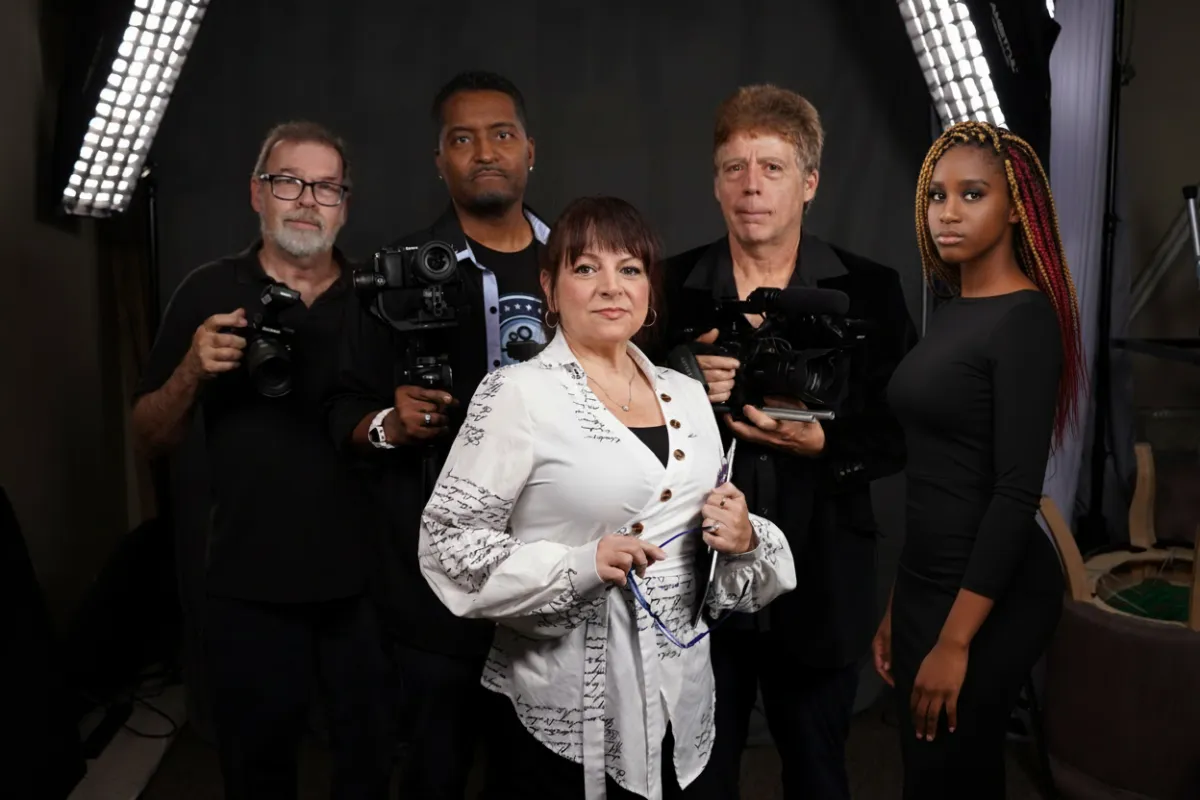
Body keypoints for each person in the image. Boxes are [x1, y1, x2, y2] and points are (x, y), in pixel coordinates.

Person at [418, 195, 797, 800]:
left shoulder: (686, 391)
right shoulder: (515, 394)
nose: (609, 287)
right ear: (550, 286)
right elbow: (448, 542)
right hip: (564, 710)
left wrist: (745, 537)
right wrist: (580, 565)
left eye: (630, 269)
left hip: (683, 702)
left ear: (649, 289)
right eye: (584, 268)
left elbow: (717, 562)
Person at [659, 84, 918, 799]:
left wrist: (821, 445)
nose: (751, 187)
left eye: (771, 168)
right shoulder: (665, 287)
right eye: (734, 167)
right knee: (696, 779)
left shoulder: (869, 290)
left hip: (821, 579)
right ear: (714, 184)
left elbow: (902, 432)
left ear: (809, 183)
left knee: (818, 775)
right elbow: (613, 418)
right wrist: (675, 375)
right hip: (693, 581)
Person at [130, 122, 392, 799]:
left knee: (368, 770)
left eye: (327, 187)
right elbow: (147, 437)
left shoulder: (376, 298)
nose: (308, 200)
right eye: (289, 181)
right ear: (257, 193)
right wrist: (192, 368)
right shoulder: (209, 289)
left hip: (364, 581)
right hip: (247, 581)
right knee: (256, 774)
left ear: (345, 204)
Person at [326, 71, 550, 799]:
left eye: (501, 134)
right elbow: (340, 410)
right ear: (440, 161)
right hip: (435, 582)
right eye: (463, 138)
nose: (484, 152)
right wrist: (392, 424)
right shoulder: (390, 275)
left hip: (552, 569)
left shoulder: (580, 262)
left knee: (541, 772)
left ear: (529, 152)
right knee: (436, 766)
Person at [876, 120, 1085, 798]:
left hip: (990, 596)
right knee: (929, 775)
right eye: (938, 196)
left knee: (951, 775)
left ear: (1016, 206)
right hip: (928, 583)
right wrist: (898, 604)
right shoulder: (954, 308)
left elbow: (1013, 490)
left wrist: (957, 640)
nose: (948, 213)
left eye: (972, 195)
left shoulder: (1025, 320)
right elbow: (937, 476)